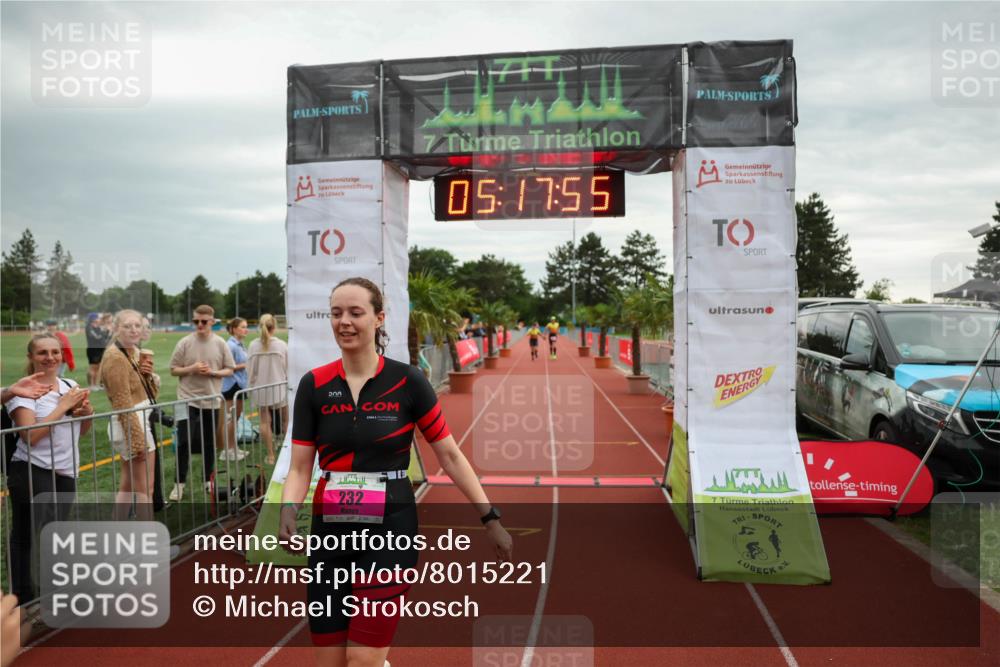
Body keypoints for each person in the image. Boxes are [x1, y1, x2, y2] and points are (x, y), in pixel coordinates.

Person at [279, 277, 512, 667]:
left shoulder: (408, 381)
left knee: (364, 660)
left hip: (390, 528)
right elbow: (300, 466)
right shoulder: (314, 385)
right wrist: (287, 510)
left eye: (356, 312)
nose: (344, 322)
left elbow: (450, 456)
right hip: (330, 532)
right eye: (337, 313)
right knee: (331, 663)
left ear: (379, 318)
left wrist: (490, 517)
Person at [5, 334, 94, 601]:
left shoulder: (69, 384)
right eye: (43, 352)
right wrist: (63, 406)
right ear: (31, 357)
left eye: (55, 352)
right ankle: (23, 596)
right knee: (27, 535)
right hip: (32, 469)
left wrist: (85, 413)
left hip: (65, 471)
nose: (51, 357)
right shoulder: (22, 392)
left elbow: (81, 432)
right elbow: (29, 436)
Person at [168, 305, 235, 501]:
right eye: (196, 321)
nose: (199, 325)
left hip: (212, 401)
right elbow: (173, 369)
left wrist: (213, 373)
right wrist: (192, 368)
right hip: (185, 400)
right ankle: (178, 485)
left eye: (204, 321)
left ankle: (208, 480)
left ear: (212, 322)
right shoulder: (184, 342)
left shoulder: (221, 343)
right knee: (183, 443)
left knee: (209, 443)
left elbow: (230, 369)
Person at [99, 309, 159, 518]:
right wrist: (136, 441)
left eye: (137, 325)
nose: (134, 330)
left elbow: (146, 392)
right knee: (145, 491)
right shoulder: (115, 357)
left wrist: (148, 375)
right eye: (127, 326)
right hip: (131, 424)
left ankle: (116, 532)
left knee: (127, 487)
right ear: (116, 329)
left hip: (136, 421)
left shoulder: (132, 351)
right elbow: (122, 402)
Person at [247, 314, 288, 465]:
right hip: (280, 387)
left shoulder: (253, 345)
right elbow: (287, 368)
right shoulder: (282, 345)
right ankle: (287, 453)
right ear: (274, 327)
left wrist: (251, 386)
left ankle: (271, 456)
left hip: (261, 388)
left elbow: (250, 371)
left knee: (265, 422)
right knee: (286, 421)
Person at [221, 317, 250, 462]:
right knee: (230, 419)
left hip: (239, 384)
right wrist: (245, 365)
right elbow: (225, 366)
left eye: (246, 326)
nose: (246, 329)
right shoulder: (230, 345)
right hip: (231, 385)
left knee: (235, 418)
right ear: (234, 329)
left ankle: (234, 447)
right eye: (243, 327)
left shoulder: (239, 344)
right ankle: (227, 451)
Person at [84, 313, 110, 388]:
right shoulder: (89, 327)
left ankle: (96, 384)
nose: (99, 319)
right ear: (93, 319)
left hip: (100, 349)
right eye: (97, 318)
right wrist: (103, 330)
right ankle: (92, 385)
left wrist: (106, 331)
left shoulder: (98, 327)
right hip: (93, 350)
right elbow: (97, 337)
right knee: (93, 367)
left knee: (98, 367)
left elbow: (104, 337)